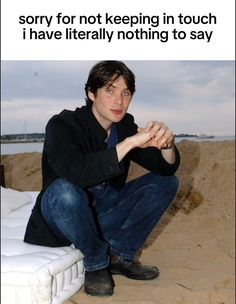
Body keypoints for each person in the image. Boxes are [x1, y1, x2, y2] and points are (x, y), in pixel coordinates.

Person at [24, 60, 180, 296]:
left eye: (126, 92)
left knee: (166, 183)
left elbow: (165, 169)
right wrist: (128, 145)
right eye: (110, 90)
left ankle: (121, 257)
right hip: (62, 220)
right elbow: (76, 173)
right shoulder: (62, 125)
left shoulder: (124, 126)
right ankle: (96, 262)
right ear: (91, 93)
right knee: (65, 191)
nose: (119, 100)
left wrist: (167, 145)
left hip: (100, 216)